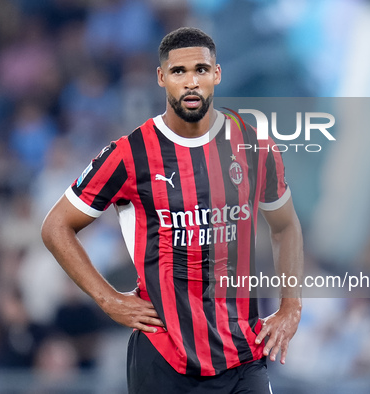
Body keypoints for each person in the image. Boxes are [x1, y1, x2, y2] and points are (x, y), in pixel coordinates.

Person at [41, 27, 303, 394]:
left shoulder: (254, 146)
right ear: (162, 77)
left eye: (201, 69)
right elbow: (55, 227)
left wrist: (291, 305)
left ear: (217, 74)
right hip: (164, 358)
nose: (191, 81)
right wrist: (109, 300)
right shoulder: (129, 154)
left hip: (243, 355)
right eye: (179, 72)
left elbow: (285, 225)